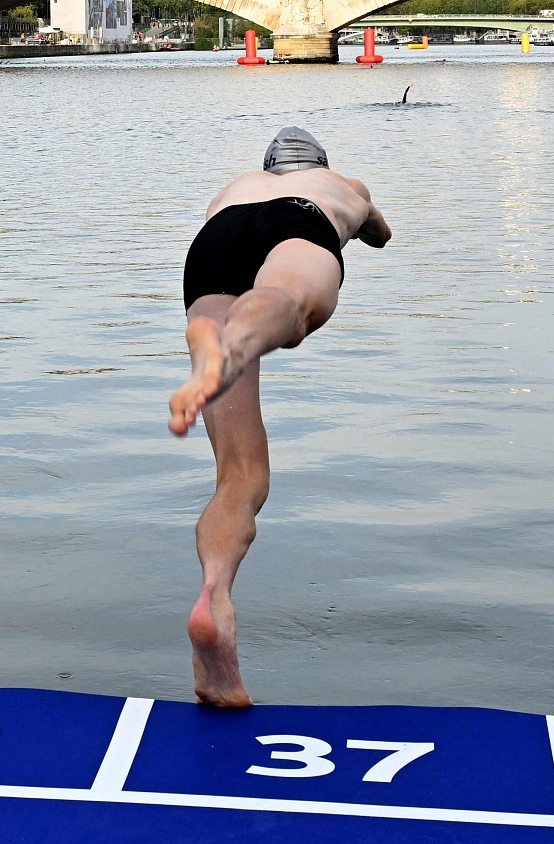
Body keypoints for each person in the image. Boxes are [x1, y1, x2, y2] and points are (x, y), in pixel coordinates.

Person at [168, 128, 392, 706]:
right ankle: (237, 343)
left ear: (265, 165)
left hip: (212, 246)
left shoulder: (235, 188)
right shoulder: (340, 186)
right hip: (299, 222)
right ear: (320, 162)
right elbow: (381, 236)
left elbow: (224, 222)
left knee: (239, 477)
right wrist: (362, 215)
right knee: (290, 305)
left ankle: (214, 593)